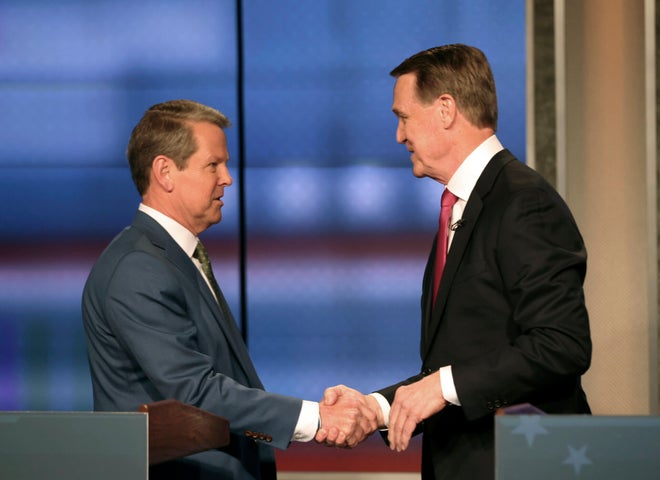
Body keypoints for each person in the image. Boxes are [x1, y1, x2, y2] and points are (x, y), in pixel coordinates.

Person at [320, 44, 592, 479]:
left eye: (403, 116)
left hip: (520, 464)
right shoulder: (461, 205)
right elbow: (458, 360)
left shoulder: (524, 202)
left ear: (445, 109)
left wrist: (442, 387)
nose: (398, 135)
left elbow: (562, 344)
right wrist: (377, 407)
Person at [81, 99, 376, 480]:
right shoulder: (138, 268)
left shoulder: (175, 256)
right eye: (213, 165)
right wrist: (316, 417)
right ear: (165, 172)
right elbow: (196, 392)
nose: (227, 178)